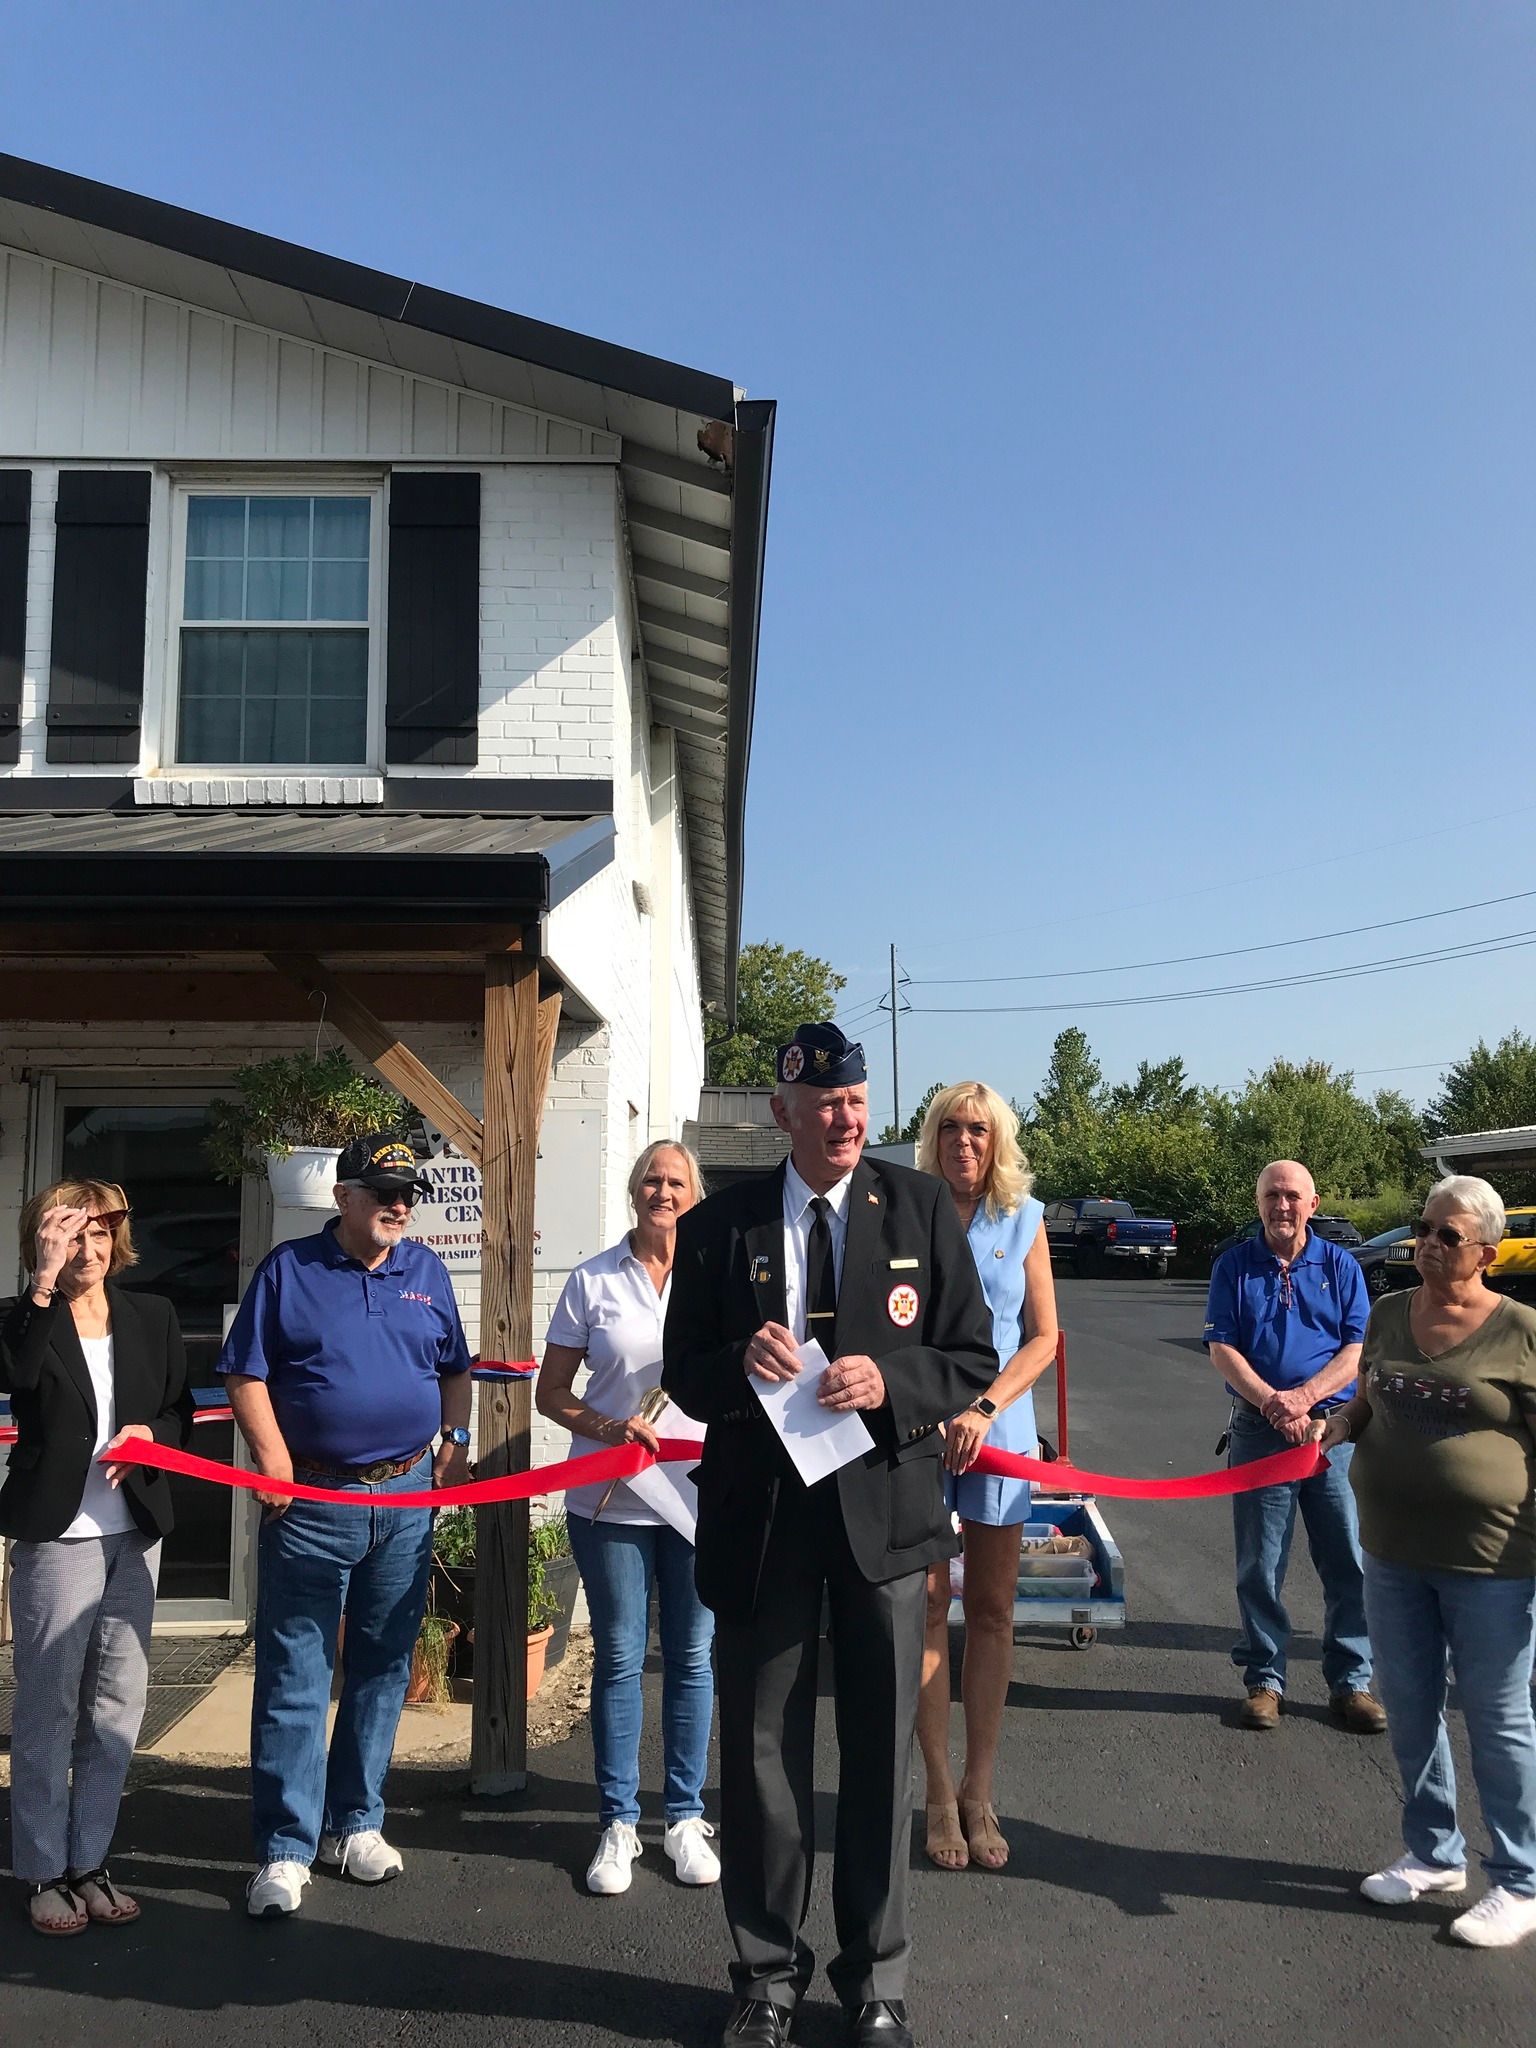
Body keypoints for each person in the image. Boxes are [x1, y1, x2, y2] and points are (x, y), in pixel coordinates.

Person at [662, 1022, 996, 2048]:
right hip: (764, 1527)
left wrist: (889, 1380)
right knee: (762, 1759)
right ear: (783, 1115)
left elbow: (972, 1352)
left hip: (882, 1525)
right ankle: (765, 1978)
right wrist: (741, 1361)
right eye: (825, 1105)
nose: (847, 1118)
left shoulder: (920, 1204)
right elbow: (685, 1369)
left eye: (855, 1100)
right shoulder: (722, 1224)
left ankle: (876, 1981)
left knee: (876, 1758)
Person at [218, 1132, 471, 1919]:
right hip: (311, 1504)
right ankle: (287, 1847)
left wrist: (454, 1444)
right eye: (383, 1191)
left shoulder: (426, 1271)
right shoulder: (288, 1270)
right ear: (344, 1197)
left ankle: (355, 1823)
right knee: (296, 1674)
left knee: (384, 1665)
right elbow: (244, 1370)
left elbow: (455, 1366)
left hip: (403, 1497)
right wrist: (271, 1455)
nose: (399, 1205)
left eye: (409, 1194)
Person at [1317, 1175, 1536, 1947]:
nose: (1428, 1243)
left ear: (1485, 1251)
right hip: (1392, 1550)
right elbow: (1370, 1397)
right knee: (1409, 1705)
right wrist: (1342, 1422)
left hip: (1493, 1563)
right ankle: (1434, 1854)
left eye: (1447, 1235)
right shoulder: (1386, 1314)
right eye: (1423, 1228)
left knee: (1498, 1718)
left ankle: (1519, 1879)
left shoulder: (1521, 1331)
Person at [2, 1181, 193, 1936]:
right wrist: (41, 1285)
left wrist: (155, 1438)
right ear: (45, 1243)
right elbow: (14, 1375)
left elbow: (179, 1410)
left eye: (100, 1235)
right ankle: (43, 1870)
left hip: (134, 1533)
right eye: (72, 1237)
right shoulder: (26, 1320)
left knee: (117, 1707)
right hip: (58, 1537)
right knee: (47, 1710)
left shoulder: (153, 1315)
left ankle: (90, 1861)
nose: (90, 1250)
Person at [536, 1138, 719, 1898]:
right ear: (633, 1191)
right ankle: (616, 1821)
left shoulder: (719, 1277)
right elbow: (551, 1393)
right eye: (651, 1179)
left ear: (694, 1193)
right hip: (610, 1502)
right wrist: (609, 1427)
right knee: (617, 1659)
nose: (663, 1191)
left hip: (700, 1498)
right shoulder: (591, 1280)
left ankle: (682, 1815)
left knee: (692, 1659)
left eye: (676, 1181)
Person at [912, 1082, 1059, 1875]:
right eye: (950, 1128)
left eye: (979, 1129)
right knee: (930, 1604)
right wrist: (930, 1405)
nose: (964, 1141)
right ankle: (936, 1791)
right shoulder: (905, 1211)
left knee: (993, 1610)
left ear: (996, 1140)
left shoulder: (1025, 1218)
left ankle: (980, 1788)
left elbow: (1044, 1337)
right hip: (923, 1430)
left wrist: (986, 1403)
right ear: (931, 1137)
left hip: (998, 1430)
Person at [1203, 1158, 1386, 1733]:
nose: (1282, 1206)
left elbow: (1357, 1350)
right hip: (1261, 1432)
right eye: (1271, 1196)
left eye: (1292, 1196)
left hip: (1331, 1433)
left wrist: (1305, 1398)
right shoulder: (1233, 1267)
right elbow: (1222, 1349)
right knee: (1260, 1563)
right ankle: (1264, 1681)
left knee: (1348, 1561)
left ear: (1313, 1203)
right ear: (1258, 1203)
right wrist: (1273, 1403)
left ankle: (1351, 1683)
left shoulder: (1341, 1266)